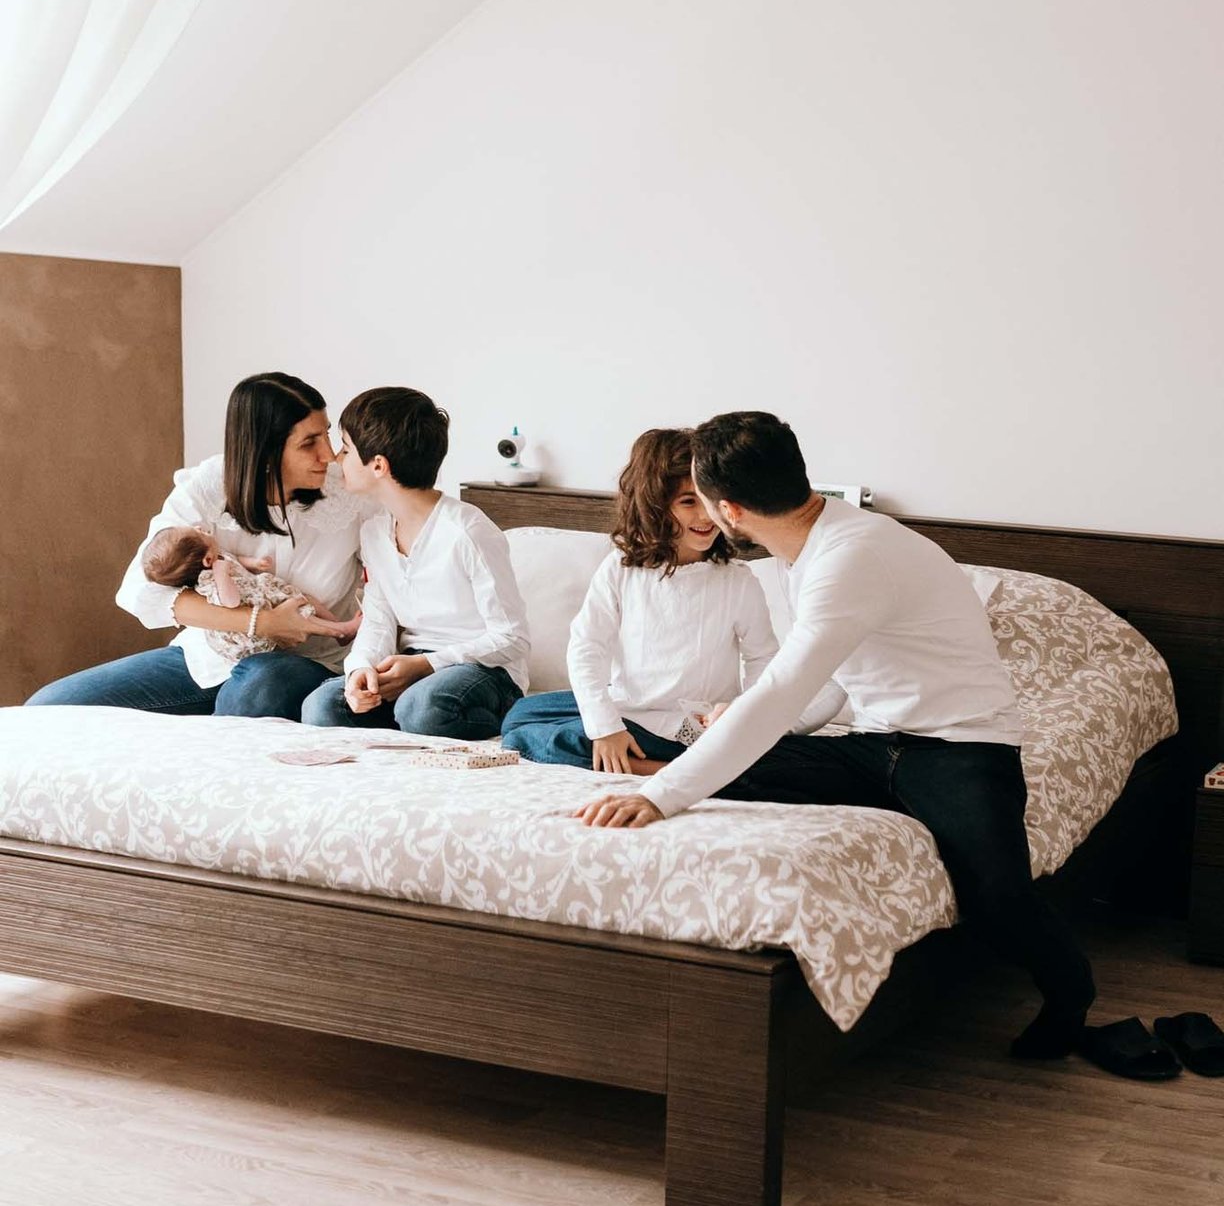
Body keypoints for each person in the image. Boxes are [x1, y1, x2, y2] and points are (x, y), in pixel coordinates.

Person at [573, 410, 1096, 1061]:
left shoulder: (852, 557)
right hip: (874, 747)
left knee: (998, 898)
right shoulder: (809, 549)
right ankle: (679, 766)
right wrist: (734, 730)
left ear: (728, 510)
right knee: (738, 766)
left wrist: (663, 796)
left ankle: (1072, 994)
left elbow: (782, 689)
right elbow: (825, 688)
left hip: (960, 748)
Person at [25, 372, 366, 718]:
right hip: (210, 660)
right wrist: (263, 623)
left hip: (302, 666)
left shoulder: (351, 493)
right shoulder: (211, 485)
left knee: (257, 685)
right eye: (309, 443)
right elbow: (142, 589)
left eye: (326, 434)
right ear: (265, 451)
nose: (328, 455)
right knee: (47, 708)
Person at [501, 428, 776, 773]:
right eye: (688, 502)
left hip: (689, 723)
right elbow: (587, 646)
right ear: (655, 505)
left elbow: (764, 659)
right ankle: (624, 752)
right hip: (630, 711)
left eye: (709, 501)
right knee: (521, 715)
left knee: (535, 739)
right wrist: (606, 727)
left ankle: (658, 768)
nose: (705, 516)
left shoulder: (737, 580)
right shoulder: (621, 567)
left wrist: (741, 713)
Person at [301, 387, 529, 739]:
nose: (336, 458)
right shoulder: (374, 532)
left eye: (345, 448)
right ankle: (404, 720)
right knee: (322, 706)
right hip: (409, 667)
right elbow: (378, 618)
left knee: (422, 707)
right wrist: (360, 670)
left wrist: (426, 665)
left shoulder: (467, 531)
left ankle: (499, 720)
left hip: (483, 671)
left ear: (379, 465)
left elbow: (511, 637)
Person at [141, 525, 360, 663]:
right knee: (301, 608)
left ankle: (338, 627)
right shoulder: (210, 582)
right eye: (200, 533)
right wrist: (222, 575)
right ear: (207, 560)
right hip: (250, 627)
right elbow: (230, 602)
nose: (202, 529)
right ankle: (341, 630)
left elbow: (234, 559)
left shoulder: (217, 556)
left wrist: (254, 563)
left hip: (261, 596)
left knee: (305, 599)